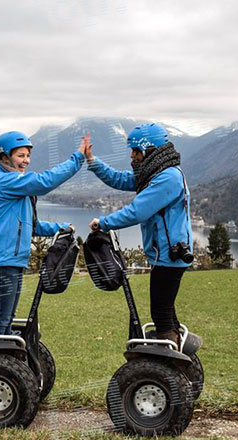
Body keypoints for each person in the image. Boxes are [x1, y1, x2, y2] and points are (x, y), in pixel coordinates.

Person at [85, 123, 193, 349]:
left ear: (150, 150)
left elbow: (138, 211)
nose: (132, 156)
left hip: (170, 255)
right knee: (166, 310)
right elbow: (119, 179)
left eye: (136, 151)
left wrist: (102, 223)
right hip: (164, 254)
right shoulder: (154, 173)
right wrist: (93, 161)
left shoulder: (168, 178)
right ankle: (177, 354)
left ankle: (168, 362)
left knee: (161, 311)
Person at [0, 130, 89, 335]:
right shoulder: (5, 182)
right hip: (1, 263)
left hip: (12, 262)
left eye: (28, 156)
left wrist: (62, 227)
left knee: (5, 324)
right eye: (20, 156)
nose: (26, 161)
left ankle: (3, 363)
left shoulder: (17, 188)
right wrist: (78, 158)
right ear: (4, 157)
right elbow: (44, 182)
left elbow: (33, 226)